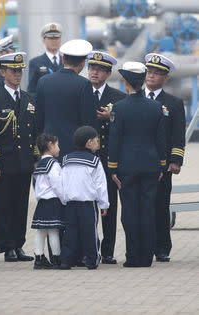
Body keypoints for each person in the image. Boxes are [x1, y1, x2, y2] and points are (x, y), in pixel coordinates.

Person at [108, 61, 166, 267]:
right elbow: (161, 140)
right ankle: (146, 257)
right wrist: (161, 165)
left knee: (130, 212)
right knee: (148, 211)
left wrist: (113, 167)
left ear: (126, 82)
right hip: (151, 166)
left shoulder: (119, 108)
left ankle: (133, 257)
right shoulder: (157, 107)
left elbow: (115, 140)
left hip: (127, 168)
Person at [0, 52, 38, 262]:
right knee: (5, 206)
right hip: (5, 163)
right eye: (13, 71)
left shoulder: (28, 99)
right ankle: (7, 247)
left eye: (20, 71)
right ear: (2, 72)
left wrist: (35, 158)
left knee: (21, 206)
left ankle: (19, 244)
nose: (18, 75)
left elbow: (33, 132)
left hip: (24, 162)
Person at [144, 53, 186, 263]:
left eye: (157, 73)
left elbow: (178, 135)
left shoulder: (174, 103)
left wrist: (175, 160)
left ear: (165, 78)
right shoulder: (134, 99)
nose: (151, 76)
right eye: (149, 72)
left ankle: (162, 248)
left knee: (161, 206)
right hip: (138, 164)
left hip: (162, 164)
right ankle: (143, 245)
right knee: (140, 207)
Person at [87, 51, 126, 264]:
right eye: (91, 68)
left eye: (99, 69)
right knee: (87, 206)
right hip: (86, 160)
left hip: (109, 159)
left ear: (108, 73)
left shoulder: (119, 98)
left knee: (108, 206)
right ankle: (90, 249)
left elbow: (126, 125)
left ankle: (109, 250)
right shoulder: (81, 93)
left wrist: (110, 117)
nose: (94, 72)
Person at [36, 39, 97, 160]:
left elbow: (38, 120)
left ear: (63, 59)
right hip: (75, 149)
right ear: (83, 63)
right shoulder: (84, 84)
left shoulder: (43, 82)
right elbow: (88, 122)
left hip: (49, 148)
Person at [59, 126, 109, 270]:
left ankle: (66, 260)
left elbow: (62, 181)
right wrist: (104, 204)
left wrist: (64, 200)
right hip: (87, 203)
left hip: (69, 203)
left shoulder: (66, 159)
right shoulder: (95, 161)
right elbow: (100, 185)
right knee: (90, 232)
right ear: (89, 142)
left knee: (70, 232)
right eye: (96, 140)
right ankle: (92, 260)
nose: (98, 143)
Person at [31, 133, 64, 269]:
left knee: (41, 231)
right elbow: (57, 184)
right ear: (50, 145)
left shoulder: (40, 164)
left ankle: (38, 258)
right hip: (53, 201)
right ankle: (56, 259)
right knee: (53, 231)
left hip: (42, 202)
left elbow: (36, 184)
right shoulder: (53, 164)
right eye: (57, 145)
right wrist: (64, 199)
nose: (59, 149)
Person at [27, 23, 63, 98]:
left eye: (56, 38)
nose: (54, 41)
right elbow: (31, 90)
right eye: (50, 38)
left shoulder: (67, 61)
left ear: (60, 40)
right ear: (44, 40)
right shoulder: (35, 63)